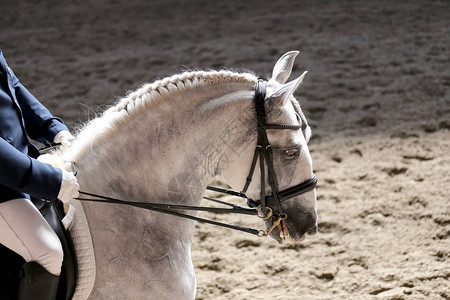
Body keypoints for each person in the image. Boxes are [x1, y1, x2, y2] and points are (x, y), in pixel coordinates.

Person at [0, 49, 79, 300]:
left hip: (16, 167)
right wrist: (49, 180)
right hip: (4, 182)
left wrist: (52, 129)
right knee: (47, 251)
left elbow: (10, 84)